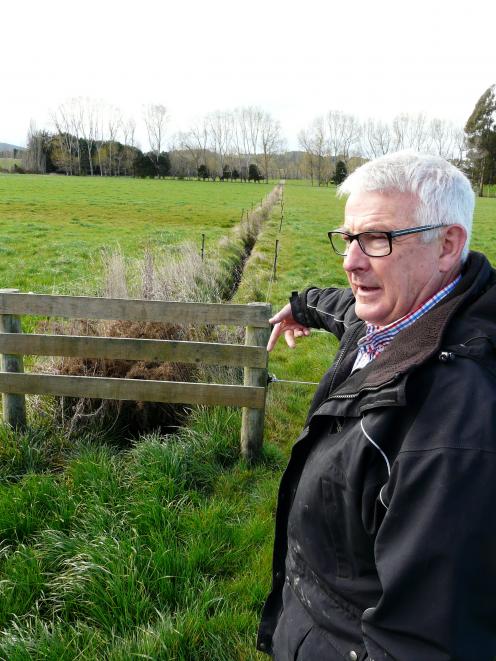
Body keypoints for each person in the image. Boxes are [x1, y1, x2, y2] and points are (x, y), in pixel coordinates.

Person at [257, 151, 496, 660]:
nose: (350, 261)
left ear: (447, 244)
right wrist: (303, 307)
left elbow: (423, 641)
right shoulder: (399, 316)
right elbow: (348, 311)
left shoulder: (450, 429)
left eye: (376, 239)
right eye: (348, 239)